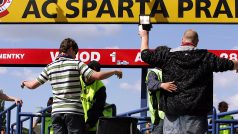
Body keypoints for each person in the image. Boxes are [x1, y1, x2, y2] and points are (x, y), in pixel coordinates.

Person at [138, 27, 238, 134]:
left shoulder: (167, 56)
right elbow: (229, 64)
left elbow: (145, 55)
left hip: (172, 113)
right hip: (196, 114)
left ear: (182, 40)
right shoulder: (206, 57)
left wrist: (144, 35)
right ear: (197, 42)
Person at [21, 38, 123, 134]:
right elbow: (97, 75)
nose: (75, 56)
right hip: (73, 113)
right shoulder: (77, 64)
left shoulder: (49, 67)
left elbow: (32, 85)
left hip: (56, 113)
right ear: (70, 49)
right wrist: (114, 71)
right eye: (75, 53)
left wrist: (24, 82)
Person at [80, 60, 116, 134]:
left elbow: (98, 108)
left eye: (96, 75)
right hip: (76, 124)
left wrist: (89, 124)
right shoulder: (77, 80)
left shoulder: (100, 87)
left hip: (92, 128)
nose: (93, 77)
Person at [146, 68, 177, 134]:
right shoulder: (153, 72)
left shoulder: (171, 70)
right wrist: (162, 85)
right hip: (160, 116)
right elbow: (151, 85)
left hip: (172, 113)